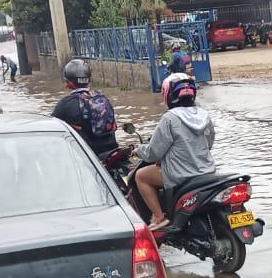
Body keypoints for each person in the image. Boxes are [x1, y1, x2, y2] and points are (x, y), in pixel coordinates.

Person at [133, 71, 215, 232]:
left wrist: (137, 151)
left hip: (179, 175)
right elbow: (209, 143)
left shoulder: (169, 118)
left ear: (168, 94)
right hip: (206, 172)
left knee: (140, 176)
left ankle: (158, 217)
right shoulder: (204, 115)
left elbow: (153, 153)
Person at [51, 59, 118, 156]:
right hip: (112, 150)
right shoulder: (103, 98)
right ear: (89, 80)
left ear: (67, 83)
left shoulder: (65, 104)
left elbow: (52, 129)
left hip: (89, 156)